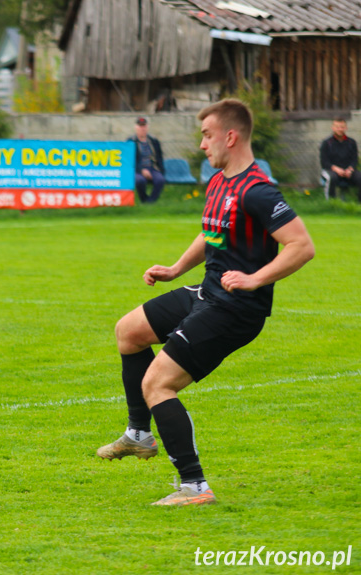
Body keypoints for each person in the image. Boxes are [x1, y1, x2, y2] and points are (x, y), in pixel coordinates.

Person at [97, 99, 315, 506]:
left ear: (230, 137)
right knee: (129, 331)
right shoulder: (219, 183)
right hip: (206, 291)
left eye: (207, 135)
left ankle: (195, 488)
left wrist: (255, 278)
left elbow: (301, 246)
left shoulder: (259, 192)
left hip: (236, 309)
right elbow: (211, 233)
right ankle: (140, 435)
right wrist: (177, 268)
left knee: (158, 383)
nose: (201, 145)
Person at [319, 117, 361, 201]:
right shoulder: (326, 143)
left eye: (342, 127)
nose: (340, 129)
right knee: (331, 178)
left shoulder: (351, 142)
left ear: (346, 128)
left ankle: (358, 205)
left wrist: (350, 169)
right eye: (337, 127)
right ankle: (331, 203)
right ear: (333, 128)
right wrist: (336, 169)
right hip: (331, 170)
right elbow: (324, 162)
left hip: (348, 171)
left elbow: (354, 159)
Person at [128, 116, 166, 203]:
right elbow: (130, 160)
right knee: (140, 181)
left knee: (160, 180)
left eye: (144, 126)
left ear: (147, 127)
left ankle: (151, 202)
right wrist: (141, 170)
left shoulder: (154, 141)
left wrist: (161, 171)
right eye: (140, 126)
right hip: (137, 169)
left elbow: (159, 157)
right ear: (136, 127)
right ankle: (144, 200)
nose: (142, 128)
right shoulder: (131, 141)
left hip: (153, 168)